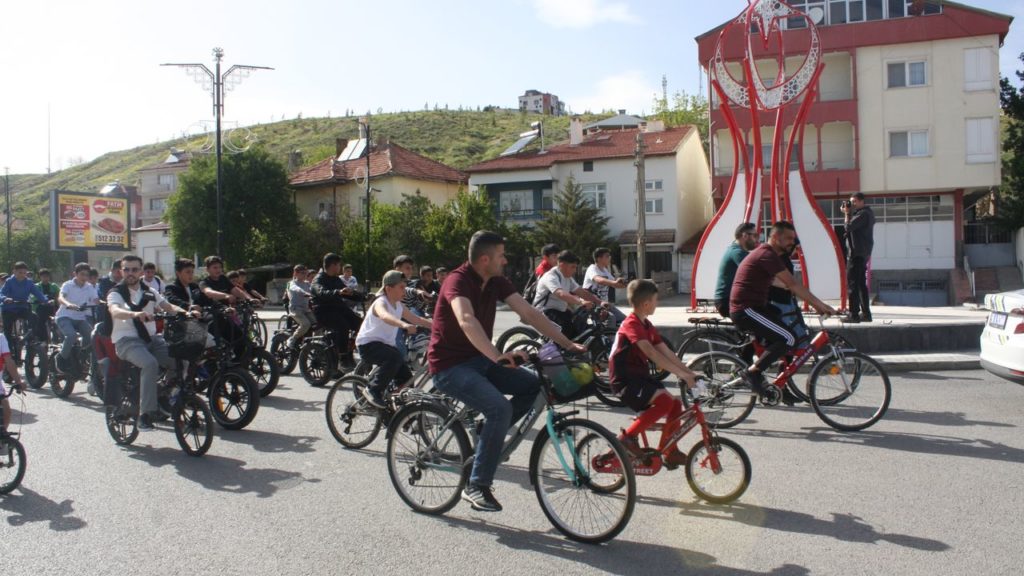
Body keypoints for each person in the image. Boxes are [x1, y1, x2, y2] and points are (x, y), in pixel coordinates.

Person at [429, 230, 586, 512]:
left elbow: (530, 314)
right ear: (485, 258)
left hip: (480, 361)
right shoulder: (457, 280)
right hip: (450, 366)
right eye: (501, 256)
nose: (505, 261)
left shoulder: (496, 281)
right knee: (499, 409)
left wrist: (568, 344)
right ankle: (476, 485)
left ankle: (486, 432)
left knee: (532, 386)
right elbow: (466, 320)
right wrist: (498, 356)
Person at [730, 221, 837, 403]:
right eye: (787, 238)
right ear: (774, 237)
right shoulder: (767, 254)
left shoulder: (772, 255)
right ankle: (753, 373)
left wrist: (820, 305)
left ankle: (779, 382)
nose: (791, 242)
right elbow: (792, 284)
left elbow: (791, 285)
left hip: (758, 307)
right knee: (788, 338)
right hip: (745, 309)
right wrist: (820, 306)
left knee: (786, 333)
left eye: (793, 239)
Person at [609, 279, 703, 467]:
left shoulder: (646, 324)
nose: (657, 303)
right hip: (625, 381)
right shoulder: (632, 324)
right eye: (655, 300)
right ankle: (627, 438)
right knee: (665, 401)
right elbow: (650, 352)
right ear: (646, 304)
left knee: (675, 405)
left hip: (639, 377)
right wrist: (682, 375)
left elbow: (665, 351)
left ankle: (669, 450)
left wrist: (688, 372)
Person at [107, 255, 194, 431]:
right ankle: (145, 415)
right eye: (126, 269)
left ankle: (163, 395)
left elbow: (168, 307)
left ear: (140, 271)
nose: (130, 273)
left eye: (134, 269)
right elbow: (115, 311)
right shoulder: (116, 292)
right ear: (121, 271)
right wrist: (134, 314)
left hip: (151, 339)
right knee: (150, 364)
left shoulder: (149, 291)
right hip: (127, 341)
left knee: (182, 361)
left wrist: (187, 313)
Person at [356, 270, 432, 408]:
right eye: (401, 287)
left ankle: (400, 411)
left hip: (386, 346)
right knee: (394, 357)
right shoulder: (381, 302)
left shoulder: (399, 305)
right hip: (368, 345)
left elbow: (416, 318)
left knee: (407, 379)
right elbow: (385, 316)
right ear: (388, 289)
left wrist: (437, 326)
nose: (405, 290)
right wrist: (403, 324)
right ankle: (373, 390)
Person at [533, 250, 605, 339]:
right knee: (565, 330)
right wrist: (581, 302)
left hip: (561, 311)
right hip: (545, 312)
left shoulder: (567, 277)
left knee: (579, 328)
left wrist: (600, 302)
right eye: (573, 267)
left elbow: (581, 292)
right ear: (562, 265)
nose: (575, 270)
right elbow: (561, 294)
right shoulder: (551, 276)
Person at [311, 253, 364, 369]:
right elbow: (321, 293)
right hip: (324, 312)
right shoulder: (318, 280)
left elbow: (347, 292)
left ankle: (350, 349)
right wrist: (338, 292)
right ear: (333, 265)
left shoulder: (335, 279)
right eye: (339, 265)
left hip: (339, 309)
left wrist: (362, 296)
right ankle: (343, 358)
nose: (340, 268)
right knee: (343, 326)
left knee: (362, 324)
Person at [54, 263, 99, 375]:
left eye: (86, 275)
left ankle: (81, 357)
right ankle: (61, 358)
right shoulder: (67, 285)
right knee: (71, 335)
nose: (84, 278)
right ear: (75, 274)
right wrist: (68, 304)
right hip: (64, 316)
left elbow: (96, 300)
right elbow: (61, 297)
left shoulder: (89, 287)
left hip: (80, 318)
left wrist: (106, 303)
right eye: (82, 274)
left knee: (91, 335)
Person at [1, 262, 49, 356]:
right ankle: (9, 351)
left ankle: (27, 339)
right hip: (9, 308)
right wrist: (5, 299)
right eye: (20, 272)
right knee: (8, 331)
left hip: (22, 307)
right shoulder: (9, 281)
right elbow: (1, 293)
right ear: (14, 272)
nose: (22, 275)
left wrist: (45, 301)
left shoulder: (29, 282)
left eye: (24, 273)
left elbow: (38, 293)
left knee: (34, 317)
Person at [842, 192, 875, 323]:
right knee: (861, 284)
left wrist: (846, 213)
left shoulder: (863, 214)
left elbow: (848, 227)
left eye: (854, 201)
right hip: (862, 252)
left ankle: (853, 314)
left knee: (853, 284)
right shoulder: (866, 213)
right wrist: (849, 213)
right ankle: (866, 314)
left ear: (862, 201)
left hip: (857, 253)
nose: (852, 204)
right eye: (851, 202)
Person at [714, 223, 758, 318]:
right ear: (745, 235)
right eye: (755, 235)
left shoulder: (738, 250)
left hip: (730, 299)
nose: (757, 239)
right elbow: (756, 272)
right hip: (726, 301)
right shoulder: (737, 252)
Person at [583, 247, 627, 325]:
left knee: (625, 320)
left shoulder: (605, 270)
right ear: (599, 258)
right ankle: (609, 337)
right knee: (611, 318)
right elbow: (598, 280)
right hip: (592, 305)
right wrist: (614, 283)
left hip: (605, 305)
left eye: (609, 256)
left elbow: (615, 283)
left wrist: (624, 284)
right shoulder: (592, 268)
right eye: (607, 256)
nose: (609, 258)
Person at [0, 331, 26, 434]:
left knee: (7, 411)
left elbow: (9, 361)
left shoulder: (1, 338)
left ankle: (2, 438)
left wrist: (19, 381)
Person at [286, 265, 316, 350]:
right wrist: (304, 293)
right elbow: (296, 289)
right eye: (302, 273)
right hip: (295, 309)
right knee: (306, 324)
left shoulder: (307, 283)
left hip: (306, 309)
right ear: (296, 273)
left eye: (306, 273)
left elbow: (313, 289)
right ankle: (292, 339)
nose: (305, 275)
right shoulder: (291, 283)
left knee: (318, 324)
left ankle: (315, 343)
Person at [34, 268, 61, 340]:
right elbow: (34, 297)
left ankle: (58, 338)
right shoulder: (36, 286)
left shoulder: (54, 286)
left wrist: (55, 300)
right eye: (43, 276)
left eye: (47, 276)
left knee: (58, 320)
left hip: (53, 307)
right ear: (40, 277)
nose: (45, 278)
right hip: (41, 308)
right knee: (40, 322)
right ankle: (43, 339)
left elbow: (59, 295)